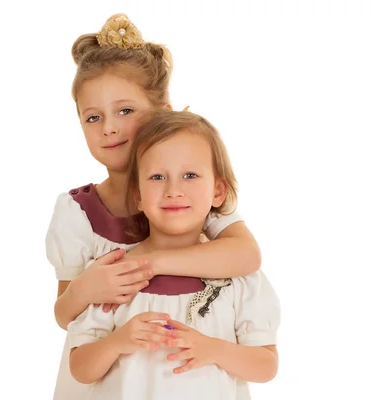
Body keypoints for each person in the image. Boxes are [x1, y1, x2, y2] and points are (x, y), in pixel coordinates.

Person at [45, 14, 262, 399]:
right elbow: (64, 316)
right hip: (109, 377)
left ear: (163, 111)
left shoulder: (191, 193)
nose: (109, 127)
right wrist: (87, 288)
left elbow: (246, 255)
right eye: (93, 117)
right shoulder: (77, 212)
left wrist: (150, 263)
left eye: (125, 111)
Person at [68, 110, 280, 399]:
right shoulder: (116, 273)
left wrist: (214, 349)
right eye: (157, 177)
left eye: (190, 175)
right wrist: (117, 342)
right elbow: (80, 369)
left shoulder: (238, 278)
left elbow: (266, 366)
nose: (173, 190)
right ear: (138, 195)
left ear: (218, 191)